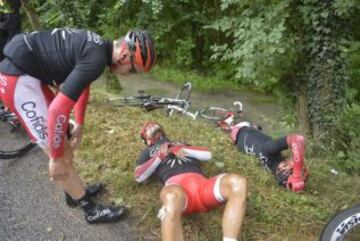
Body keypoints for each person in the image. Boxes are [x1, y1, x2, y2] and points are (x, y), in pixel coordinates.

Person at [0, 28, 156, 223]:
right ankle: (90, 210)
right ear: (125, 55)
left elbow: (83, 85)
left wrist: (79, 123)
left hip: (26, 73)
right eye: (132, 70)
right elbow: (57, 111)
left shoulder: (97, 47)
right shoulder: (97, 59)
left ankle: (73, 194)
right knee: (57, 151)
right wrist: (55, 159)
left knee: (63, 138)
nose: (128, 75)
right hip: (18, 82)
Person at [134, 122, 248, 241]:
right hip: (179, 194)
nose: (152, 128)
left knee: (238, 182)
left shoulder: (180, 143)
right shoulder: (147, 152)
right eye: (149, 130)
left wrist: (181, 148)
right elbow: (139, 176)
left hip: (203, 187)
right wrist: (158, 156)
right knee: (171, 196)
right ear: (146, 141)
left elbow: (207, 154)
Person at [218, 113, 309, 192]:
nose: (296, 160)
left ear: (284, 166)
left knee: (240, 115)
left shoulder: (270, 150)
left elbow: (297, 139)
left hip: (240, 128)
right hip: (236, 140)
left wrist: (297, 174)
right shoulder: (269, 167)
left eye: (296, 164)